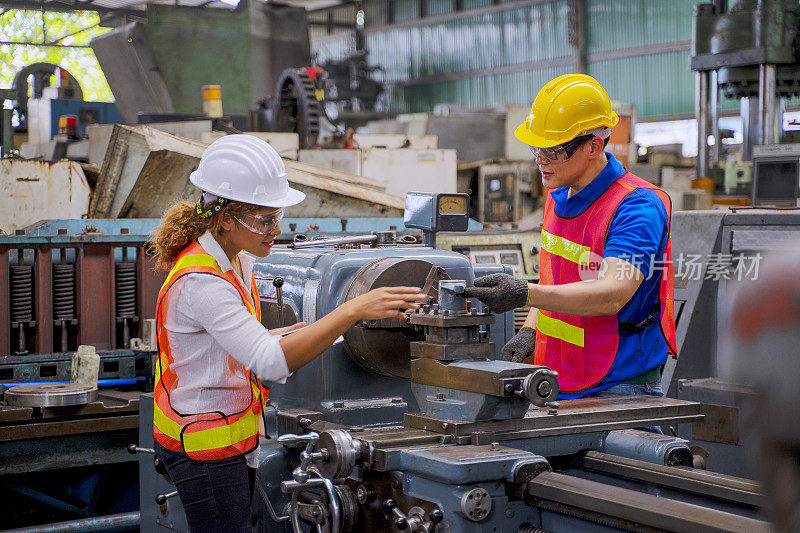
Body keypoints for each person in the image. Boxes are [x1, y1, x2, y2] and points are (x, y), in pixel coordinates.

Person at [148, 134, 425, 532]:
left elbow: (240, 348)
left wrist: (302, 333)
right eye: (264, 220)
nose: (275, 228)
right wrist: (352, 310)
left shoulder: (233, 260)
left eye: (276, 216)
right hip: (203, 447)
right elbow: (270, 362)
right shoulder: (201, 281)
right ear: (226, 217)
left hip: (231, 438)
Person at [464, 74, 677, 399]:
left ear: (594, 145)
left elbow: (612, 294)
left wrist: (524, 294)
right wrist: (530, 330)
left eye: (554, 151)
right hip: (561, 375)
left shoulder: (636, 207)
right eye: (537, 148)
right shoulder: (558, 194)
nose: (540, 161)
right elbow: (556, 278)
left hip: (619, 384)